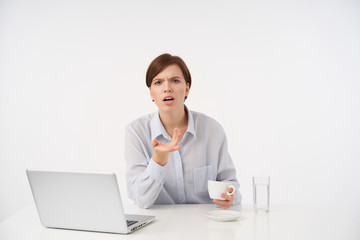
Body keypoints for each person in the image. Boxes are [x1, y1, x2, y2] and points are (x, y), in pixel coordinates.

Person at [125, 53, 241, 209]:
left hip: (205, 226)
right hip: (159, 228)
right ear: (151, 93)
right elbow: (140, 199)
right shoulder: (136, 132)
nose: (167, 88)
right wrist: (159, 159)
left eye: (175, 81)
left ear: (186, 89)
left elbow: (231, 185)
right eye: (158, 82)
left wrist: (230, 196)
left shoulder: (212, 130)